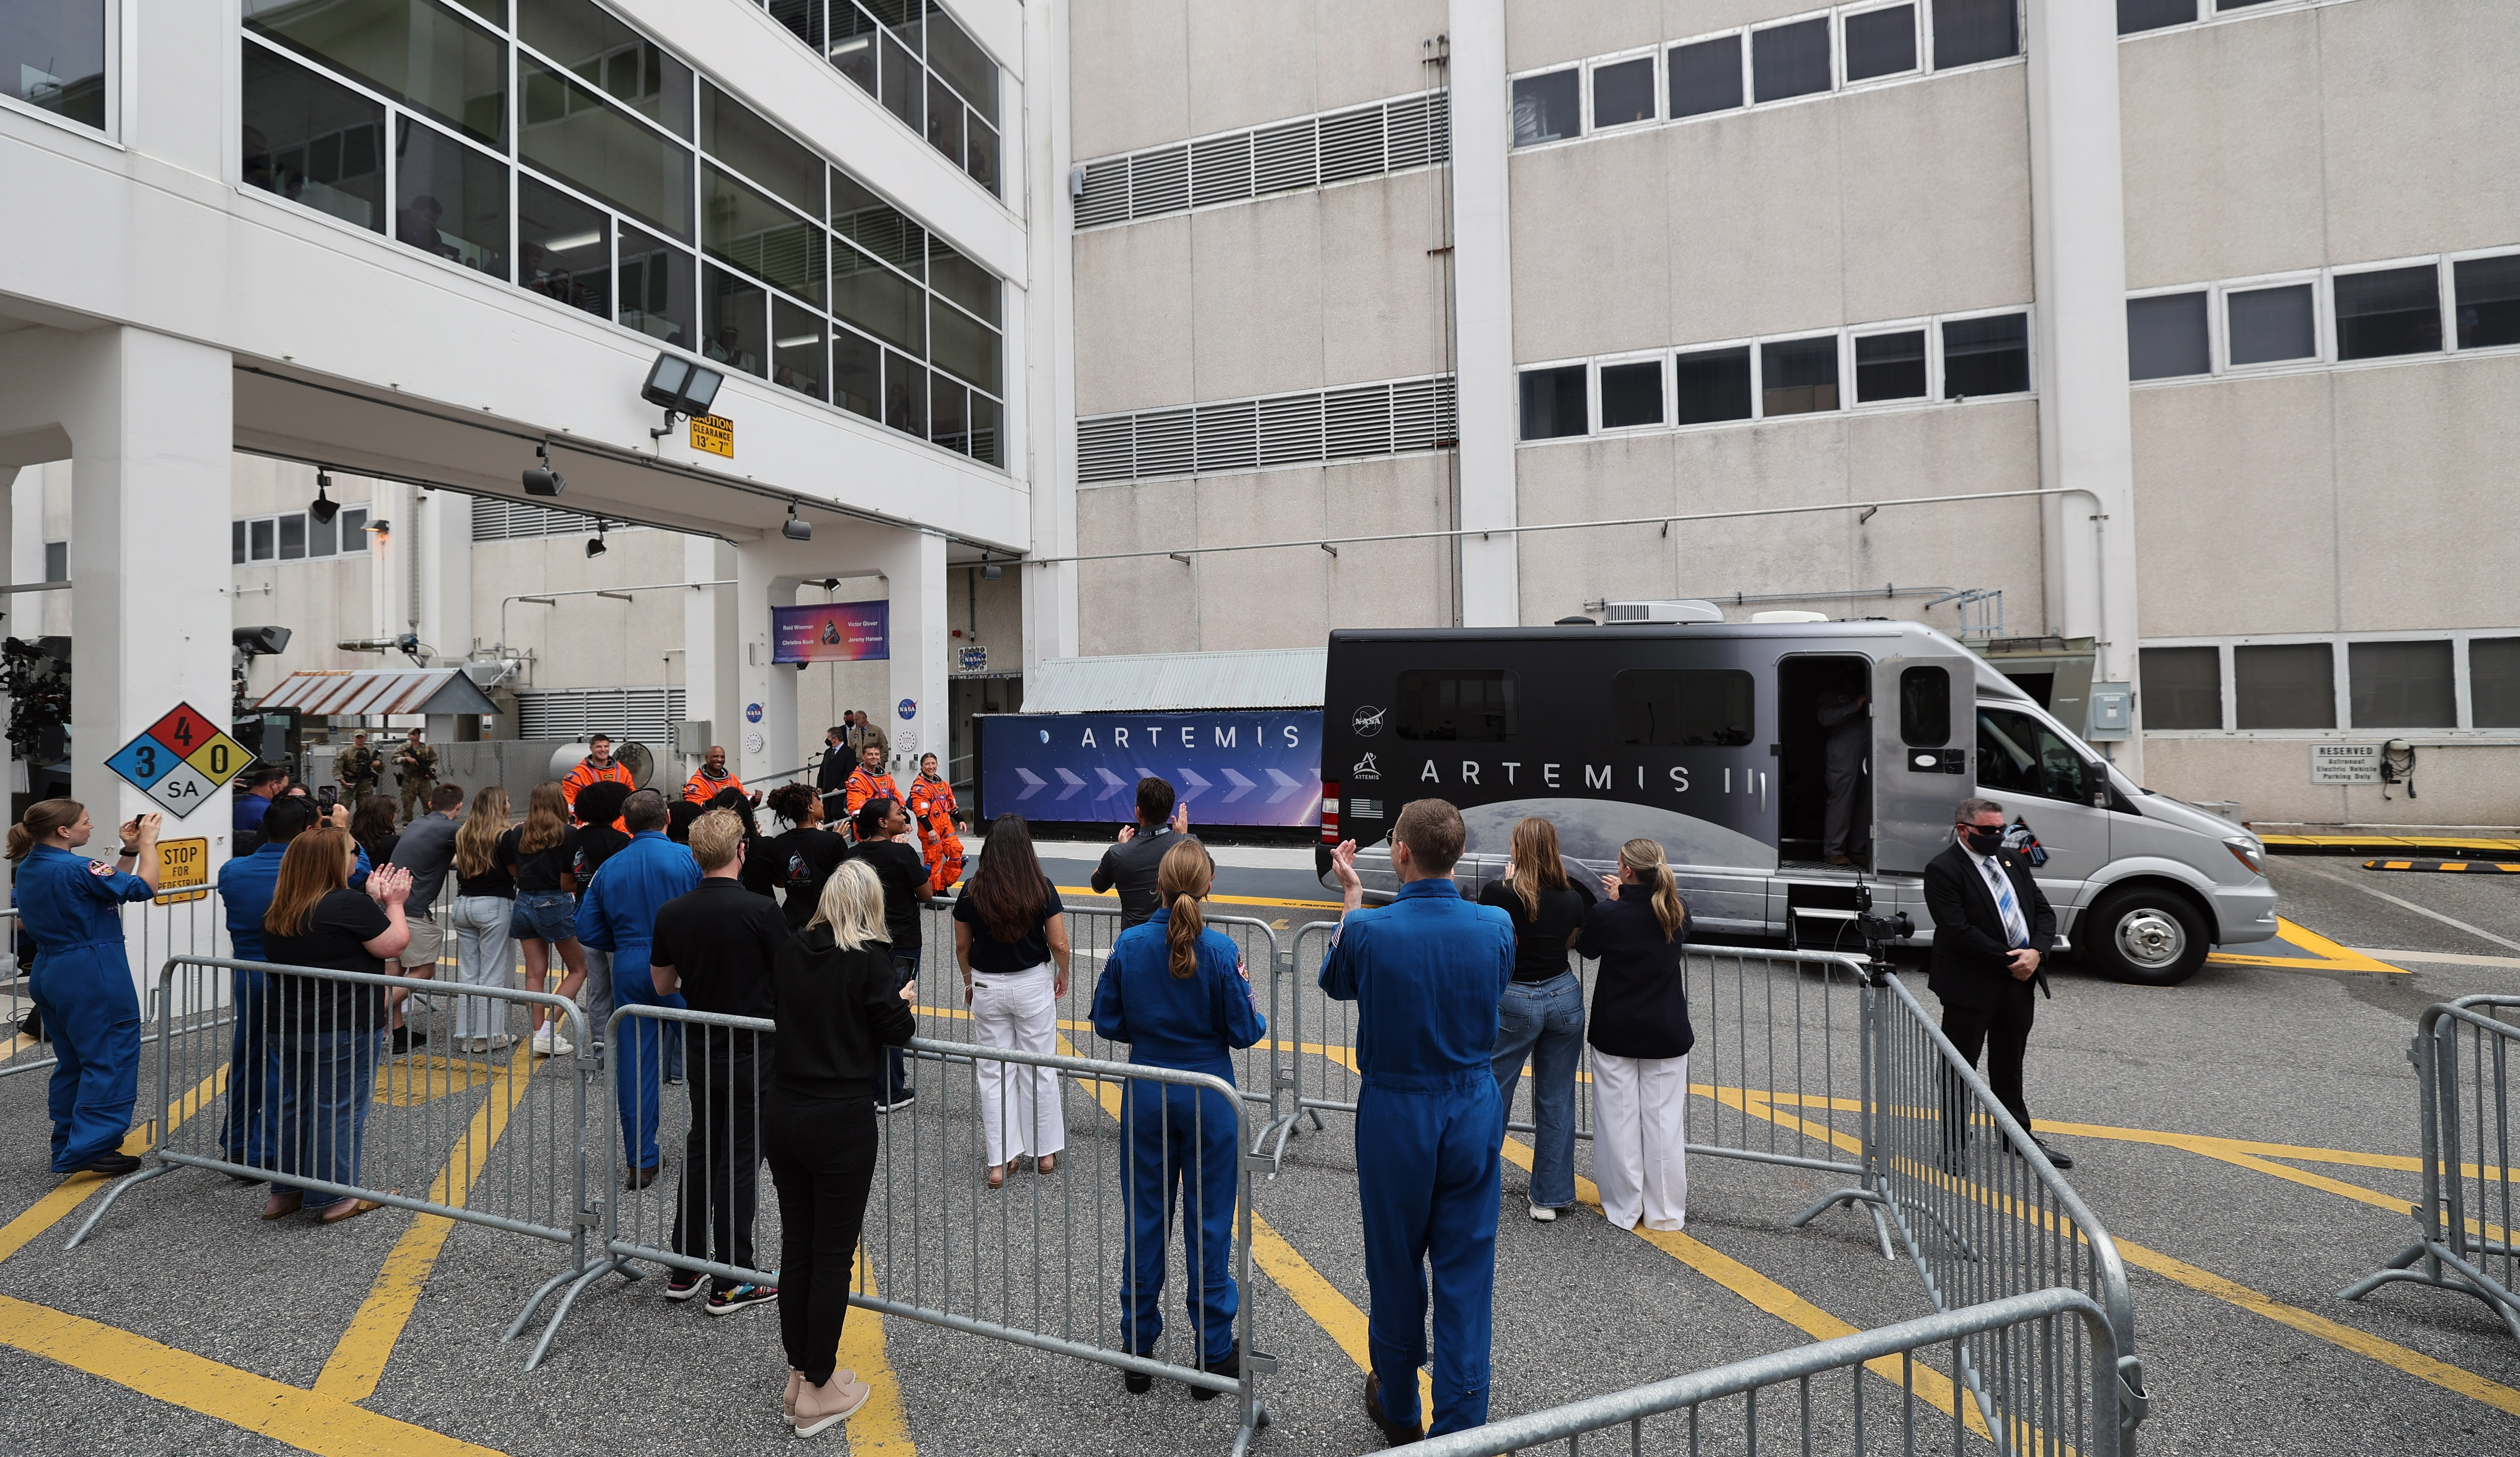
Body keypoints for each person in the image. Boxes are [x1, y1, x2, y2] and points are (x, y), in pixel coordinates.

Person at [1319, 799, 1515, 1444]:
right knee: (1466, 1266)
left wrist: (1351, 897)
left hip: (1397, 1108)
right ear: (1455, 854)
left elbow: (1335, 979)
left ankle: (1399, 1402)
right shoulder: (1494, 924)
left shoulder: (1372, 929)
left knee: (1395, 1261)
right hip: (1470, 1101)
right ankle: (1461, 1421)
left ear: (1401, 853)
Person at [1091, 838, 1265, 1397]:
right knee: (1210, 1224)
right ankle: (1212, 1353)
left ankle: (1138, 1350)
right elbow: (1244, 1030)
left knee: (1145, 1220)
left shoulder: (1131, 943)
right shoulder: (1220, 949)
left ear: (1158, 885)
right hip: (1209, 1094)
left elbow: (1106, 1019)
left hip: (1147, 1090)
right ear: (1207, 886)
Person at [764, 859, 916, 1434]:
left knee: (797, 1246)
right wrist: (901, 998)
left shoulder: (790, 950)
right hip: (841, 1117)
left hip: (785, 1109)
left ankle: (801, 1372)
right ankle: (819, 1389)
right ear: (870, 904)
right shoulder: (870, 960)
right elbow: (894, 1030)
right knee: (832, 1255)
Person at [649, 809, 788, 1313]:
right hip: (755, 1046)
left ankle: (686, 1265)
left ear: (695, 854)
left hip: (704, 1042)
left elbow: (662, 985)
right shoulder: (761, 911)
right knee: (742, 1154)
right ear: (741, 851)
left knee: (703, 1144)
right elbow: (790, 976)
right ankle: (733, 1275)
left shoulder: (673, 913)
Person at [260, 827, 410, 1223]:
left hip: (288, 1021)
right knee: (339, 1108)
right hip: (343, 1021)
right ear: (334, 861)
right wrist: (393, 902)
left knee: (295, 1104)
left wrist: (372, 903)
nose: (356, 860)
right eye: (351, 852)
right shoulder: (345, 902)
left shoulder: (281, 906)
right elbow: (394, 944)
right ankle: (335, 1197)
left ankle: (286, 1191)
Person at [12, 801, 161, 1176]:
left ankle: (70, 1140)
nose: (91, 826)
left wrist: (127, 850)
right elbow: (143, 888)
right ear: (64, 831)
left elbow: (110, 889)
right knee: (109, 1055)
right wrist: (148, 844)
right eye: (85, 821)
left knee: (75, 1061)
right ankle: (92, 1146)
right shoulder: (78, 866)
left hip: (51, 968)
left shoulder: (31, 865)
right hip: (91, 968)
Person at [1924, 797, 2069, 1169]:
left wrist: (2036, 952)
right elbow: (1957, 930)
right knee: (1960, 1065)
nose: (1997, 836)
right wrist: (2014, 960)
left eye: (2001, 829)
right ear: (1964, 830)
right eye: (1989, 831)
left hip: (2020, 981)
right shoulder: (1943, 869)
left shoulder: (2013, 860)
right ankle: (1954, 1141)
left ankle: (2017, 1137)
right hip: (1970, 984)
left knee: (2009, 1062)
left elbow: (2042, 911)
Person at [578, 789, 702, 1188]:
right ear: (667, 817)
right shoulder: (686, 857)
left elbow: (588, 929)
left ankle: (641, 1160)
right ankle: (715, 1143)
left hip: (631, 965)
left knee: (635, 1065)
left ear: (625, 824)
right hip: (682, 963)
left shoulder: (610, 867)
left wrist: (627, 943)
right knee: (706, 1053)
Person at [1477, 816, 1595, 1223]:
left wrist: (1507, 887)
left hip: (1516, 997)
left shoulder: (1497, 892)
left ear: (1519, 849)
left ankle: (1477, 1186)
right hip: (1564, 995)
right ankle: (1550, 1195)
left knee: (1494, 1093)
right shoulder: (1572, 897)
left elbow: (1492, 937)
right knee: (1557, 1097)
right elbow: (1568, 943)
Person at [1581, 838, 1695, 1234]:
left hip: (1616, 1029)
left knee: (1619, 1120)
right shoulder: (1676, 912)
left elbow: (1588, 948)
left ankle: (1624, 1208)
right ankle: (1665, 1212)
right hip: (1666, 1030)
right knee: (1664, 1123)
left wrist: (1616, 899)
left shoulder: (1607, 913)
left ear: (1627, 871)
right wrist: (1627, 896)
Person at [953, 813, 1070, 1187]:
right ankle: (1046, 1153)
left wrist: (969, 980)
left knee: (994, 1073)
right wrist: (1063, 971)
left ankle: (1001, 1162)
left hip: (987, 985)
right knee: (1039, 1066)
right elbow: (1059, 943)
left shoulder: (971, 889)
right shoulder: (1041, 887)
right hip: (1032, 984)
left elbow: (961, 945)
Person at [217, 796, 332, 1170]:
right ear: (310, 829)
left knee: (246, 1059)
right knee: (284, 1065)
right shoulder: (309, 873)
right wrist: (338, 829)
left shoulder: (232, 870)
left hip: (247, 974)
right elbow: (358, 868)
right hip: (289, 976)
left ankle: (236, 1142)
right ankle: (264, 1152)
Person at [501, 782, 592, 1057]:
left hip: (524, 900)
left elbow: (514, 871)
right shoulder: (569, 834)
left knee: (534, 972)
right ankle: (547, 1031)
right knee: (578, 969)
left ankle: (540, 1032)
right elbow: (576, 873)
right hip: (556, 900)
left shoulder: (515, 833)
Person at [852, 797, 928, 1112]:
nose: (903, 816)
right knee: (897, 1007)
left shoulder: (852, 854)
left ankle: (869, 1084)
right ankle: (891, 1090)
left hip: (864, 940)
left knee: (866, 1007)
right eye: (898, 813)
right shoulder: (902, 853)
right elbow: (926, 893)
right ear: (883, 823)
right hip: (903, 943)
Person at [389, 784, 466, 1053]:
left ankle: (397, 1034)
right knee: (423, 972)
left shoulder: (418, 825)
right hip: (411, 910)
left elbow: (434, 858)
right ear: (459, 807)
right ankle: (366, 1014)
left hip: (388, 904)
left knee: (395, 975)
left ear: (431, 805)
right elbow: (480, 847)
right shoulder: (451, 829)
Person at [449, 787, 517, 1054]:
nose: (510, 805)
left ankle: (467, 1036)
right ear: (500, 807)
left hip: (463, 904)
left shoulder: (463, 833)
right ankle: (489, 1036)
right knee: (493, 974)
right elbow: (514, 872)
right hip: (494, 905)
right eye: (508, 801)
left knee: (469, 974)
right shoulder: (504, 836)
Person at [570, 781, 635, 1047]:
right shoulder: (620, 841)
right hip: (615, 920)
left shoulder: (573, 839)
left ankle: (600, 1046)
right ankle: (625, 1044)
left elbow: (566, 883)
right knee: (620, 985)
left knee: (597, 988)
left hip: (584, 918)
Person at [1091, 777, 1191, 928]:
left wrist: (1122, 849)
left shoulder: (1117, 854)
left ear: (1139, 812)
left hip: (1135, 943)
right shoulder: (1189, 844)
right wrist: (1184, 841)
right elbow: (1210, 873)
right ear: (1169, 811)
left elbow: (1097, 886)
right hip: (1179, 941)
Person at [751, 784, 851, 932]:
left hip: (793, 924)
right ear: (810, 808)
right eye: (819, 800)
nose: (822, 805)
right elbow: (846, 882)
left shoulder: (779, 842)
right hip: (827, 921)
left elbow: (779, 882)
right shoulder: (832, 841)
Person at [1816, 677, 1870, 866]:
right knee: (1842, 799)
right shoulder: (1832, 691)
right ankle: (1834, 851)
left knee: (1865, 800)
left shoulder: (1865, 684)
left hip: (1867, 747)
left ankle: (1857, 849)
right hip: (1844, 749)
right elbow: (1825, 718)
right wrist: (1854, 705)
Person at [907, 753, 965, 894]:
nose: (931, 767)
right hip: (930, 831)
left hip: (946, 828)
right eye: (927, 764)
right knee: (934, 863)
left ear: (937, 764)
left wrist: (961, 820)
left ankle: (943, 887)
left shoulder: (943, 785)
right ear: (922, 766)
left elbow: (952, 805)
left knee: (956, 854)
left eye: (933, 763)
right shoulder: (920, 786)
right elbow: (920, 812)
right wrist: (930, 830)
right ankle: (932, 893)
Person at [560, 734, 636, 810]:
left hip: (620, 819)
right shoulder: (579, 774)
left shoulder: (621, 770)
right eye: (599, 747)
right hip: (592, 820)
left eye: (606, 746)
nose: (603, 750)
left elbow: (632, 794)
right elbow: (569, 802)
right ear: (591, 748)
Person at [841, 741, 902, 832]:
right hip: (868, 826)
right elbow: (856, 806)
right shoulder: (857, 779)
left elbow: (896, 794)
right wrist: (864, 830)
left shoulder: (885, 777)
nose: (874, 757)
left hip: (887, 824)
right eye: (870, 754)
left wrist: (905, 816)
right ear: (863, 756)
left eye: (877, 754)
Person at [233, 764, 289, 850]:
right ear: (273, 784)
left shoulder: (238, 806)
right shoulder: (269, 810)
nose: (283, 792)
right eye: (284, 788)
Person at [683, 744, 756, 806]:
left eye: (723, 757)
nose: (720, 760)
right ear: (707, 758)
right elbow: (692, 806)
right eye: (716, 756)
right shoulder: (697, 783)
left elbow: (743, 796)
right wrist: (713, 801)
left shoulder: (732, 779)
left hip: (732, 820)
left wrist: (754, 800)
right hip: (710, 821)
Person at [394, 728, 439, 825]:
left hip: (424, 780)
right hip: (409, 780)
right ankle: (407, 825)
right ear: (409, 736)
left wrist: (431, 770)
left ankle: (431, 823)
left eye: (418, 733)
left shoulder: (427, 748)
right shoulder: (403, 748)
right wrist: (406, 759)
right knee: (408, 805)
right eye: (413, 734)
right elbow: (394, 759)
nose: (416, 735)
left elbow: (434, 760)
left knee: (429, 803)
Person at [817, 726, 852, 821]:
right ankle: (829, 835)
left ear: (835, 739)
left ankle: (853, 825)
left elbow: (849, 773)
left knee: (836, 812)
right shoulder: (828, 752)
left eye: (829, 738)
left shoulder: (849, 753)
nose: (827, 740)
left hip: (839, 789)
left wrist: (840, 788)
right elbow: (823, 770)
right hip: (827, 789)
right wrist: (819, 785)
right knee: (827, 815)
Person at [336, 732, 380, 802]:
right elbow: (337, 769)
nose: (360, 739)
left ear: (366, 738)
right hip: (350, 784)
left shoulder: (371, 753)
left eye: (362, 737)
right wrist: (345, 783)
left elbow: (381, 770)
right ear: (354, 738)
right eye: (357, 737)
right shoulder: (345, 752)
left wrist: (378, 763)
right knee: (342, 808)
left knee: (366, 809)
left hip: (366, 786)